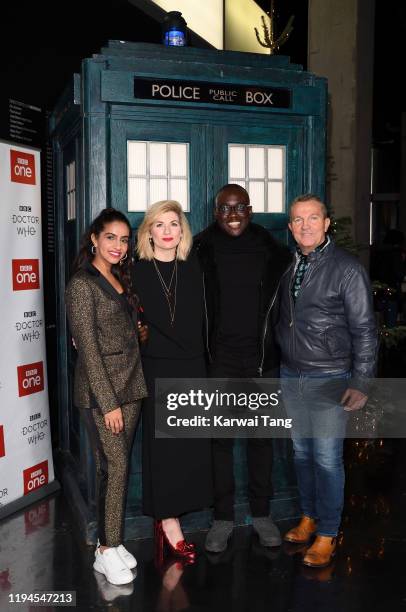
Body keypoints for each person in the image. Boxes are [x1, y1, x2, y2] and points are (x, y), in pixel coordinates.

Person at [277, 194, 378, 567]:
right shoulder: (289, 265)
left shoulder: (347, 269)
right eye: (298, 220)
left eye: (313, 218)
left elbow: (366, 329)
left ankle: (327, 533)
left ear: (326, 223)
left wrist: (361, 382)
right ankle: (309, 516)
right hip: (291, 374)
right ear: (291, 228)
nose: (305, 226)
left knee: (326, 458)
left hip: (330, 376)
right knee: (302, 454)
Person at [194, 183, 292, 552]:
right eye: (225, 208)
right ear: (215, 212)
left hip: (262, 360)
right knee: (220, 442)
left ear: (250, 210)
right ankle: (223, 517)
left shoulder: (275, 253)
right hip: (220, 360)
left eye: (239, 208)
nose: (233, 215)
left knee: (261, 440)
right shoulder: (199, 250)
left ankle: (262, 514)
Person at [65, 208, 147, 585]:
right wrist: (108, 402)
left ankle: (110, 542)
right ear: (94, 239)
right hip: (104, 395)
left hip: (131, 385)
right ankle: (105, 549)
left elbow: (120, 331)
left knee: (114, 467)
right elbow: (90, 350)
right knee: (115, 467)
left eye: (124, 239)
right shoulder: (82, 285)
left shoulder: (117, 278)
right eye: (110, 237)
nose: (118, 245)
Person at [133, 200, 212, 564]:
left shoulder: (194, 267)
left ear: (182, 230)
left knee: (187, 448)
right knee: (164, 448)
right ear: (148, 231)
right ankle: (168, 524)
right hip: (157, 368)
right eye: (159, 224)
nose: (167, 231)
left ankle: (174, 516)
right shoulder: (135, 271)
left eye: (174, 224)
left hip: (193, 366)